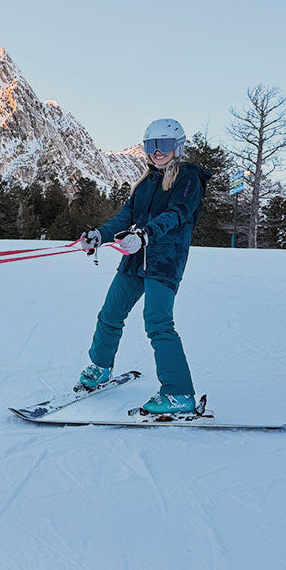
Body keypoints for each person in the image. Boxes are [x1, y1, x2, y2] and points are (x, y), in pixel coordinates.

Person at [74, 119, 212, 415]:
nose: (157, 152)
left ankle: (179, 393)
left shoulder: (188, 178)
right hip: (135, 258)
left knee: (158, 322)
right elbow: (125, 217)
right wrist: (99, 235)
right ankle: (99, 367)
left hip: (164, 260)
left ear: (178, 147)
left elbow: (177, 214)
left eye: (164, 145)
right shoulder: (146, 181)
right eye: (151, 146)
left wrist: (145, 234)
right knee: (110, 313)